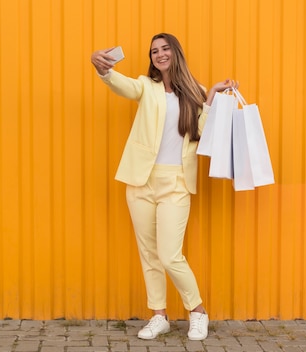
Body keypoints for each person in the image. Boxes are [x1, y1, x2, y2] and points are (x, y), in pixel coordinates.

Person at [90, 33, 237, 341]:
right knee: (149, 253)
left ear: (175, 52)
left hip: (176, 182)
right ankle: (159, 315)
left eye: (165, 48)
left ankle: (197, 311)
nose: (159, 54)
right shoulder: (147, 86)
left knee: (170, 254)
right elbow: (122, 85)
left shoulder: (194, 91)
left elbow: (201, 132)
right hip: (141, 180)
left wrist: (209, 97)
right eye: (154, 50)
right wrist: (103, 70)